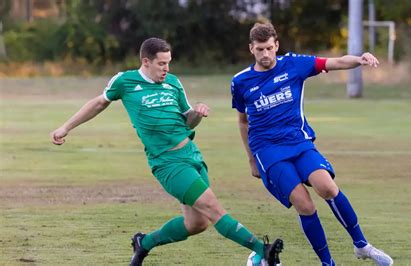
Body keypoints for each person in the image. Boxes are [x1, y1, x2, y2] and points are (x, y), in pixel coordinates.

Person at [50, 37, 284, 266]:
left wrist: (198, 113)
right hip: (168, 164)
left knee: (197, 223)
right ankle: (262, 250)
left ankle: (144, 243)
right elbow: (99, 103)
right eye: (161, 63)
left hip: (192, 156)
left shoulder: (173, 82)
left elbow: (187, 121)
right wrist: (66, 127)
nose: (166, 68)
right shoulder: (126, 81)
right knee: (213, 208)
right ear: (146, 62)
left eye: (168, 62)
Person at [231, 23, 393, 266]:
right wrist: (251, 158)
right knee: (304, 203)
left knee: (327, 187)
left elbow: (334, 62)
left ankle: (362, 245)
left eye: (269, 48)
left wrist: (359, 59)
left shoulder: (294, 64)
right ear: (251, 49)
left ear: (276, 45)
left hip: (298, 142)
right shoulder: (241, 81)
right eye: (259, 49)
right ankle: (327, 262)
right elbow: (243, 122)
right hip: (268, 150)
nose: (265, 54)